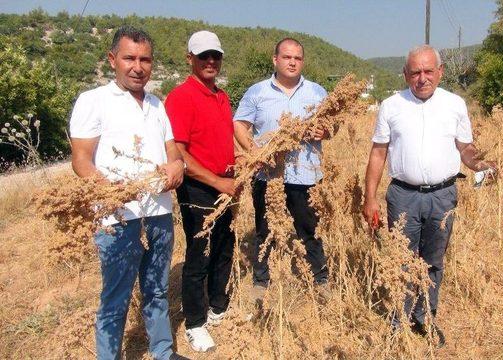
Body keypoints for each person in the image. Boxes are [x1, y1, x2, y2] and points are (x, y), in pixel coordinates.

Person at [362, 45, 497, 346]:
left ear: (440, 72)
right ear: (406, 74)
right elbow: (378, 153)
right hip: (403, 196)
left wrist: (479, 163)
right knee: (402, 261)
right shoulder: (391, 105)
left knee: (434, 261)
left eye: (428, 71)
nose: (422, 78)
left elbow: (465, 147)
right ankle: (400, 321)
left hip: (442, 196)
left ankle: (425, 318)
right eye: (415, 72)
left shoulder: (455, 104)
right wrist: (369, 197)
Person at [69, 26, 187, 360]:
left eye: (145, 59)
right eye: (129, 58)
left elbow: (172, 154)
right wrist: (107, 190)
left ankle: (162, 352)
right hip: (117, 218)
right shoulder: (94, 101)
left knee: (157, 288)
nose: (138, 66)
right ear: (112, 60)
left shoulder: (156, 105)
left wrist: (177, 167)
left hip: (159, 213)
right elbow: (81, 160)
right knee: (116, 297)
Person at [233, 38, 329, 295]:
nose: (292, 62)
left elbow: (332, 125)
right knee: (265, 229)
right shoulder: (257, 92)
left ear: (302, 62)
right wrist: (255, 152)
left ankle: (320, 279)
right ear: (275, 60)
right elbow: (239, 125)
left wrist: (326, 130)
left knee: (309, 228)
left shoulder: (318, 92)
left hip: (307, 174)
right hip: (268, 175)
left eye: (297, 58)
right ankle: (261, 281)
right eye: (287, 57)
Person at [164, 30, 236, 353]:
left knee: (224, 245)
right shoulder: (180, 97)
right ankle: (194, 323)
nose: (210, 61)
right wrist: (218, 181)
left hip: (225, 185)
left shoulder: (222, 97)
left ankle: (218, 307)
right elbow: (179, 154)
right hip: (199, 189)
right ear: (189, 58)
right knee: (199, 255)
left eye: (215, 56)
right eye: (203, 56)